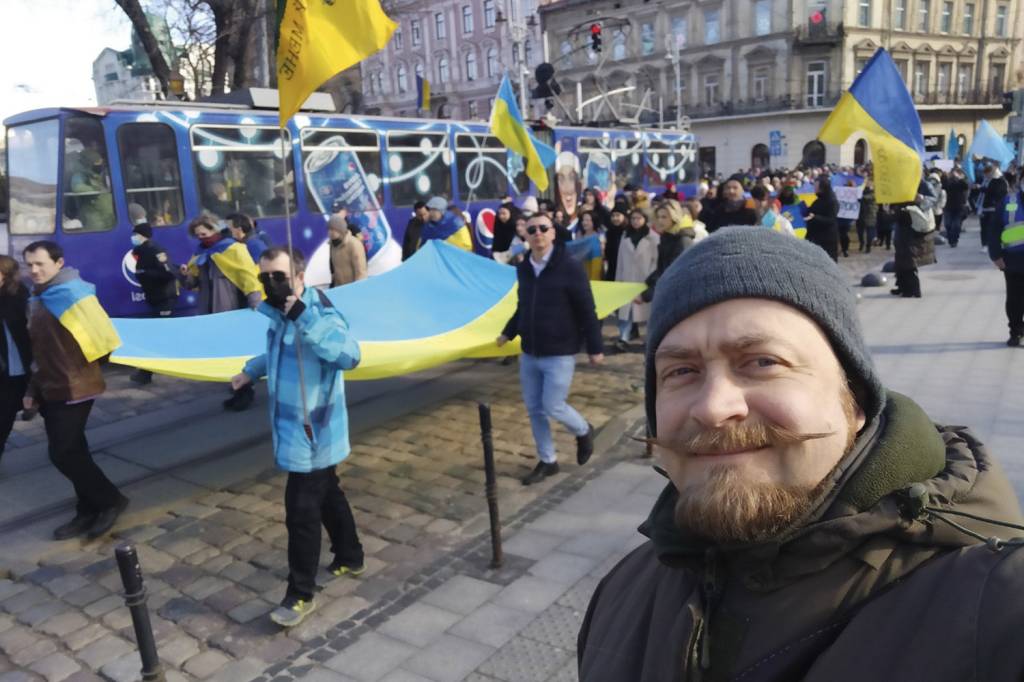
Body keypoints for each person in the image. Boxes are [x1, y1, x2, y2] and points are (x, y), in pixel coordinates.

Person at [578, 227, 1024, 681]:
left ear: (856, 400)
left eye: (763, 362)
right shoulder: (624, 594)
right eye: (681, 371)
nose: (713, 407)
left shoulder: (995, 613)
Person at [231, 247, 364, 627]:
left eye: (279, 276)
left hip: (315, 433)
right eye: (265, 277)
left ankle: (299, 593)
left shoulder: (319, 313)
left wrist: (305, 319)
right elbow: (277, 352)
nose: (271, 283)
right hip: (294, 428)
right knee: (329, 495)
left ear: (300, 276)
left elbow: (349, 355)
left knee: (301, 513)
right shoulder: (277, 315)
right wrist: (251, 371)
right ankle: (351, 556)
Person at [21, 241, 128, 540]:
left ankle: (110, 500)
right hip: (50, 386)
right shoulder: (39, 297)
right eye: (29, 264)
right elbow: (39, 350)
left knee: (63, 453)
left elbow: (104, 338)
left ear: (58, 263)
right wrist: (33, 387)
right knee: (74, 449)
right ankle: (87, 508)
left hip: (76, 385)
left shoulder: (73, 294)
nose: (34, 270)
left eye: (40, 263)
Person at [496, 213, 602, 486]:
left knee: (553, 405)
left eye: (544, 228)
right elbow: (523, 306)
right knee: (534, 409)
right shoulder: (524, 268)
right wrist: (509, 332)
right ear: (526, 236)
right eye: (532, 229)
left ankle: (583, 430)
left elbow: (586, 310)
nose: (538, 233)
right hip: (530, 351)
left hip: (559, 351)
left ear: (553, 232)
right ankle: (548, 460)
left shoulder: (570, 267)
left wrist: (595, 347)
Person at [181, 216, 263, 411]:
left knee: (235, 350)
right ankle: (237, 388)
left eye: (204, 234)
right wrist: (186, 275)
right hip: (210, 308)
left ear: (215, 230)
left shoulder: (233, 249)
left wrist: (254, 300)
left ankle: (244, 392)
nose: (201, 238)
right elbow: (193, 282)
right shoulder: (201, 252)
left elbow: (247, 275)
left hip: (230, 307)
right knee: (224, 351)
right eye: (198, 235)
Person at [129, 219, 179, 385]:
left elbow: (168, 273)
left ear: (143, 236)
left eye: (135, 234)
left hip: (164, 297)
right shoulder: (141, 251)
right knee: (160, 334)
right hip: (155, 297)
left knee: (156, 336)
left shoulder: (155, 250)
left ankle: (145, 373)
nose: (133, 237)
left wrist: (145, 273)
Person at [613, 209, 659, 351]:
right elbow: (620, 259)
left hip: (645, 277)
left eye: (639, 218)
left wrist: (651, 278)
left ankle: (649, 339)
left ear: (645, 219)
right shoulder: (625, 235)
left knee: (647, 312)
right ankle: (623, 338)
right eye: (633, 218)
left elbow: (656, 260)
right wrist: (618, 280)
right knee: (625, 312)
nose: (635, 221)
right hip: (627, 277)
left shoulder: (652, 237)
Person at [0, 255, 31, 464]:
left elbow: (22, 333)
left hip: (13, 369)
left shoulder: (16, 297)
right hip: (10, 368)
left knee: (3, 420)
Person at [642, 200, 697, 307]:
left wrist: (646, 295)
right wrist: (646, 284)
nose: (659, 220)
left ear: (674, 217)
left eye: (664, 217)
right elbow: (662, 269)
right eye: (658, 217)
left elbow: (674, 273)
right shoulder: (667, 237)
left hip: (680, 298)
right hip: (670, 296)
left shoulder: (682, 240)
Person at [891, 177, 938, 299]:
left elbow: (933, 200)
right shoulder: (898, 181)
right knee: (900, 256)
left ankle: (913, 289)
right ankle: (902, 286)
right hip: (901, 221)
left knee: (910, 257)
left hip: (915, 225)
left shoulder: (923, 183)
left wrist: (921, 198)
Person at [990, 181, 1024, 346]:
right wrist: (995, 255)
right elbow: (995, 228)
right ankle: (1016, 331)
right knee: (1014, 300)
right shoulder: (1009, 201)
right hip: (1013, 259)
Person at [805, 175, 840, 261]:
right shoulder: (819, 200)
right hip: (816, 236)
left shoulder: (832, 201)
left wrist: (815, 217)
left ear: (822, 188)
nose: (814, 188)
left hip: (827, 238)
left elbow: (831, 220)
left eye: (816, 186)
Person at [328, 214, 367, 287]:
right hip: (340, 289)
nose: (330, 232)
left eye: (333, 229)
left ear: (340, 229)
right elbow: (334, 268)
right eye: (329, 229)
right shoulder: (332, 245)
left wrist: (357, 289)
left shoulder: (354, 244)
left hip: (352, 289)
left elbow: (361, 272)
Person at [981, 163, 1009, 251]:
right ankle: (985, 244)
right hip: (985, 207)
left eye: (988, 173)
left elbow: (999, 193)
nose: (986, 175)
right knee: (984, 227)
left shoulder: (1000, 181)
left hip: (994, 208)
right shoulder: (986, 181)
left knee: (992, 227)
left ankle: (991, 244)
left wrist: (984, 189)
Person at [943, 168, 970, 247]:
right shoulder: (948, 181)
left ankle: (954, 240)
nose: (954, 175)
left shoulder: (961, 182)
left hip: (959, 207)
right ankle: (951, 238)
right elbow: (944, 186)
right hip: (948, 206)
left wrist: (959, 178)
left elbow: (966, 186)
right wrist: (946, 177)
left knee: (956, 225)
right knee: (948, 224)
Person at [603, 203, 629, 282]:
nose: (615, 218)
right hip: (612, 269)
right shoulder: (610, 232)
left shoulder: (628, 232)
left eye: (618, 215)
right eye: (613, 216)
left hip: (626, 269)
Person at [857, 179, 878, 253]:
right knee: (860, 231)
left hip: (870, 214)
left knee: (869, 231)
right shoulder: (861, 191)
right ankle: (862, 243)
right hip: (861, 213)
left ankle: (868, 246)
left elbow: (868, 198)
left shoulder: (874, 193)